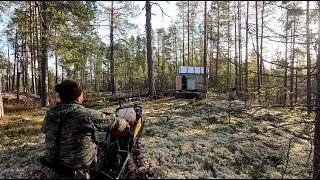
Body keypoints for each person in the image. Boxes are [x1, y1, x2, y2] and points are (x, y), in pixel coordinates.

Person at [40, 80, 128, 179]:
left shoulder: (50, 113)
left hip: (52, 166)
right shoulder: (84, 114)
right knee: (109, 147)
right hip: (77, 169)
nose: (83, 95)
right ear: (77, 97)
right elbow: (115, 123)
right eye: (82, 94)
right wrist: (125, 122)